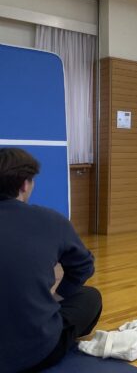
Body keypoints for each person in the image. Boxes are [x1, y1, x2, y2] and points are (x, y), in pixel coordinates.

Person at [0, 148, 101, 372]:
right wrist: (56, 296)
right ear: (25, 185)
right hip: (36, 352)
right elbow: (84, 267)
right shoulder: (51, 220)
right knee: (90, 297)